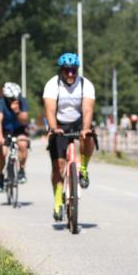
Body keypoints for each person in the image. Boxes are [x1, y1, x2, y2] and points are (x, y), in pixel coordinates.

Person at [43, 53, 97, 221]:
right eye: (67, 71)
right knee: (58, 166)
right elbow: (50, 110)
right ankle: (58, 201)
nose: (70, 74)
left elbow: (88, 109)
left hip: (78, 121)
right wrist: (53, 128)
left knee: (88, 136)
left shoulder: (85, 85)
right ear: (62, 71)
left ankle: (83, 169)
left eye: (73, 71)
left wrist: (85, 129)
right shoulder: (52, 84)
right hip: (59, 123)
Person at [0, 82, 31, 188]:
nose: (14, 100)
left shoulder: (22, 101)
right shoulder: (0, 103)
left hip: (19, 129)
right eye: (11, 98)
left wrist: (17, 111)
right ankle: (0, 175)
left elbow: (24, 121)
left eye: (16, 97)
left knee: (23, 145)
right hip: (5, 130)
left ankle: (22, 170)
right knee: (2, 152)